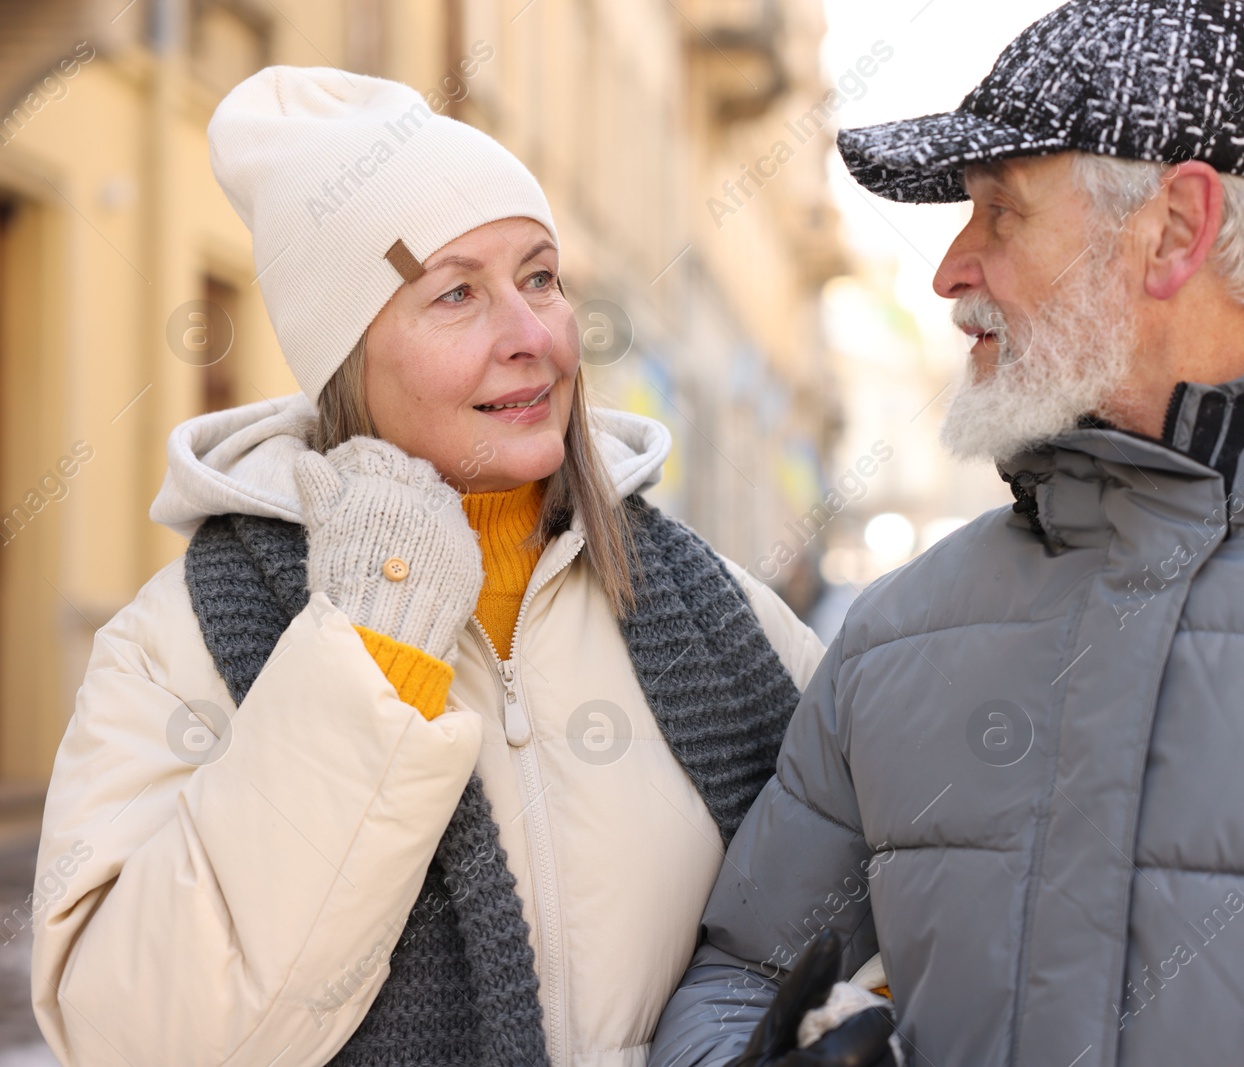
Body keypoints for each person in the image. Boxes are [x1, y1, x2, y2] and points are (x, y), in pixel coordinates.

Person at [648, 1, 1244, 1064]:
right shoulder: (899, 631)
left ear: (1175, 230)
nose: (949, 269)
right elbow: (743, 970)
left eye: (999, 214)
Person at [30, 66, 827, 1067]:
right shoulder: (174, 645)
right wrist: (372, 648)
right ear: (346, 357)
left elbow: (862, 923)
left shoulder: (721, 613)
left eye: (540, 277)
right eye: (455, 293)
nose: (530, 336)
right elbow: (139, 1037)